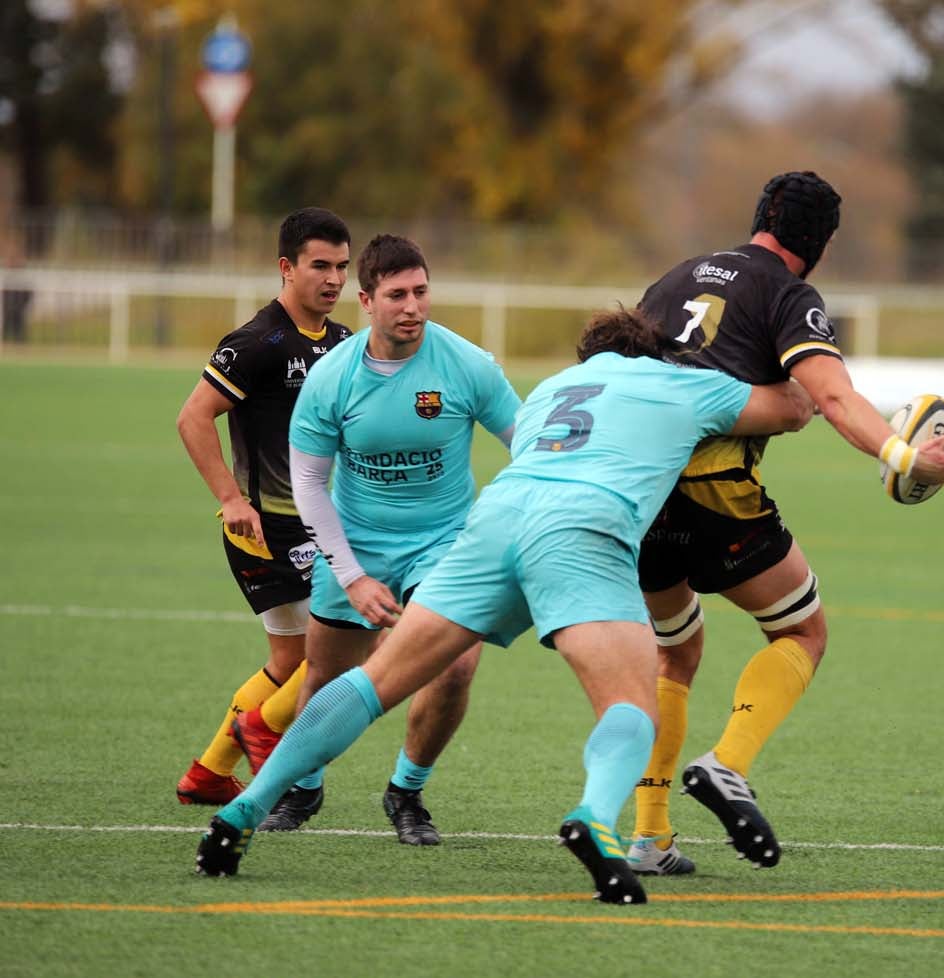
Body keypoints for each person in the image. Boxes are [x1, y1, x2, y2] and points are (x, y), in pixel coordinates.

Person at [195, 306, 815, 905]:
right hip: (581, 525)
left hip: (497, 518)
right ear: (650, 353)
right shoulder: (680, 381)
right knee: (631, 705)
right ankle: (596, 819)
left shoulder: (553, 387)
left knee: (373, 681)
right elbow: (791, 409)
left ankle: (246, 807)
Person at [627, 170, 944, 875]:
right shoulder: (786, 293)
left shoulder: (673, 278)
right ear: (822, 244)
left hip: (639, 492)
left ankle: (650, 838)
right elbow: (833, 398)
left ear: (760, 217)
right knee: (803, 632)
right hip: (715, 492)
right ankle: (726, 763)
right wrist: (906, 457)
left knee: (674, 653)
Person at [233, 234, 521, 841]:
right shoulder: (332, 377)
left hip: (444, 542)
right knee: (324, 676)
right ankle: (304, 787)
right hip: (355, 542)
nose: (412, 306)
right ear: (366, 301)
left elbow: (526, 445)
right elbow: (309, 485)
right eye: (396, 295)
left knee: (456, 667)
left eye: (421, 292)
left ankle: (406, 791)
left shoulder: (468, 365)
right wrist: (352, 575)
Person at [175, 207, 353, 805]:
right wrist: (230, 498)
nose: (334, 279)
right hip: (268, 530)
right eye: (320, 265)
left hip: (315, 525)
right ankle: (263, 730)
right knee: (345, 645)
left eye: (342, 267)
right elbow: (193, 417)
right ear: (286, 267)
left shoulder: (341, 342)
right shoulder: (257, 342)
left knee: (289, 659)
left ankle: (209, 772)